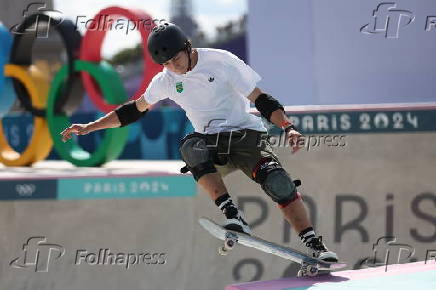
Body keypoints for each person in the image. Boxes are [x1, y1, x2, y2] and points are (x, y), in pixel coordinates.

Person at [60, 22, 338, 262]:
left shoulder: (222, 61)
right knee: (191, 147)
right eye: (165, 64)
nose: (173, 68)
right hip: (211, 143)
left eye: (175, 60)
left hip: (246, 137)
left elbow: (261, 98)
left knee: (278, 182)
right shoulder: (165, 80)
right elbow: (133, 110)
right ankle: (233, 213)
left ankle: (314, 244)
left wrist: (288, 127)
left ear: (188, 46)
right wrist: (91, 126)